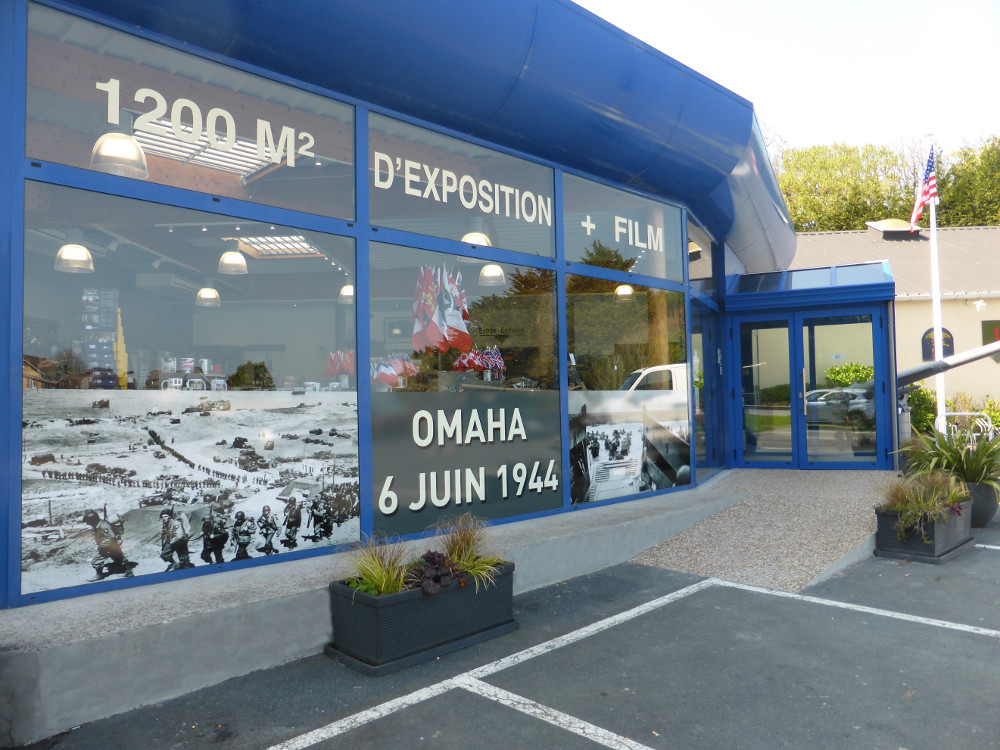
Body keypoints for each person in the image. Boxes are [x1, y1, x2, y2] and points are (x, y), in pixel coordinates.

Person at [83, 508, 134, 582]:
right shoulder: (98, 525)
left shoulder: (104, 526)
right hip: (112, 545)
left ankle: (99, 575)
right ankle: (128, 572)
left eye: (88, 521)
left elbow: (111, 537)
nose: (88, 523)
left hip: (108, 547)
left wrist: (102, 546)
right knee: (119, 558)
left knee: (96, 561)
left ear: (93, 520)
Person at [159, 507, 194, 572]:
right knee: (164, 555)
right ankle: (175, 564)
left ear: (169, 517)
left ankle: (187, 570)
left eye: (166, 516)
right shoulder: (165, 523)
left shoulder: (176, 523)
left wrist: (171, 542)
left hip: (181, 541)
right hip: (172, 541)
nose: (164, 518)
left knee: (184, 559)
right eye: (163, 517)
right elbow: (166, 533)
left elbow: (179, 535)